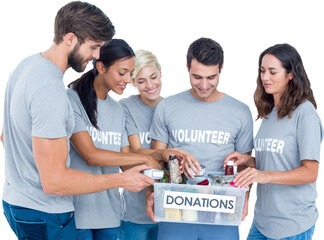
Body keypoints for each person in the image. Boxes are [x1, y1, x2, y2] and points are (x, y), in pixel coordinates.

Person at [1, 2, 155, 240]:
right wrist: (121, 179)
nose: (96, 56)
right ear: (70, 38)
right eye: (93, 47)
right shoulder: (50, 90)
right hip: (46, 211)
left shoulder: (26, 66)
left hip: (16, 203)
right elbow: (54, 182)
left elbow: (6, 136)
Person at [67, 40, 184, 240]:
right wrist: (149, 159)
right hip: (78, 216)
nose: (127, 80)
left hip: (111, 216)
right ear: (101, 67)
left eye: (130, 74)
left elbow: (124, 161)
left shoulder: (116, 109)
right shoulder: (72, 99)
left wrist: (159, 169)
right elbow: (91, 155)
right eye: (123, 73)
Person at [146, 37, 254, 240]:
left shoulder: (240, 112)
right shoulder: (167, 107)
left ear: (221, 68)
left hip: (222, 209)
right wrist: (150, 196)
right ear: (187, 67)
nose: (204, 85)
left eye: (211, 77)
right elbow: (154, 159)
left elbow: (244, 165)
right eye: (197, 77)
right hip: (175, 207)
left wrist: (246, 198)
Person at [225, 43, 323, 240]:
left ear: (291, 74)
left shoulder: (305, 114)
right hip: (262, 222)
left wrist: (264, 176)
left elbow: (311, 172)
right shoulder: (269, 112)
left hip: (292, 225)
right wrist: (248, 161)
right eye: (262, 71)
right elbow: (275, 160)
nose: (265, 77)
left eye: (272, 72)